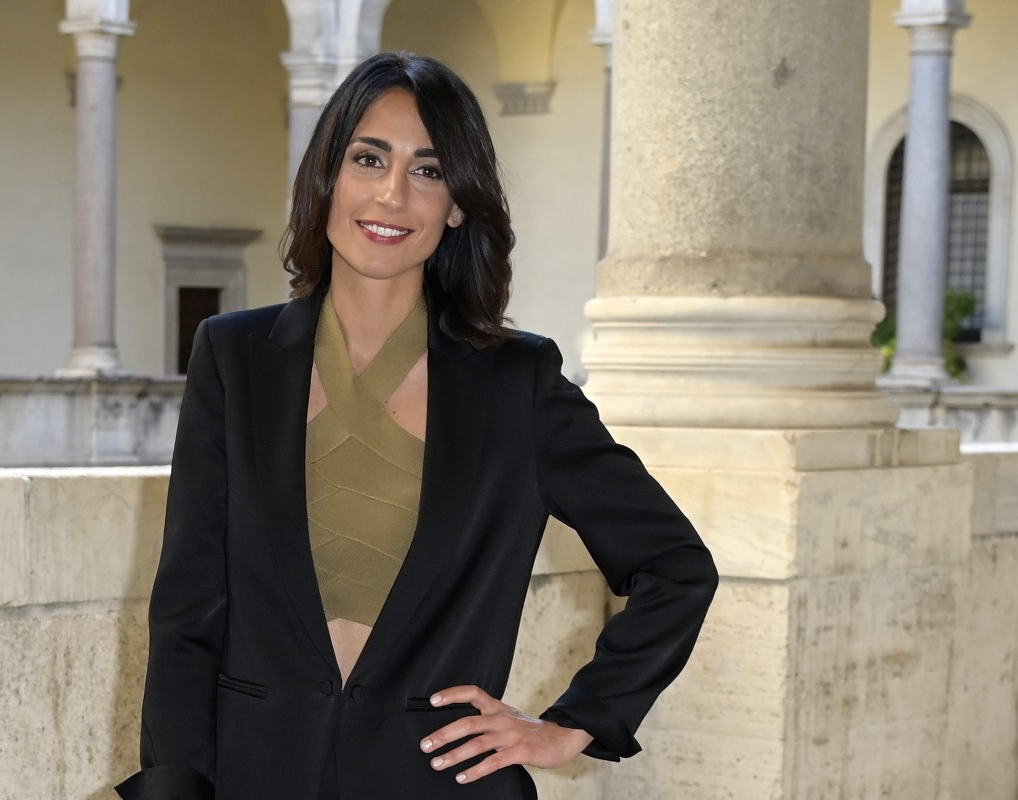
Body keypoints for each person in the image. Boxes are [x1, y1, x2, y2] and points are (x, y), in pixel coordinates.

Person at [115, 51, 717, 800]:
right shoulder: (234, 358)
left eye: (429, 171)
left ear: (458, 204)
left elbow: (675, 566)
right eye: (369, 158)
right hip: (253, 779)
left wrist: (572, 723)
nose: (392, 194)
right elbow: (186, 615)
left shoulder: (517, 384)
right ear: (328, 175)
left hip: (440, 783)